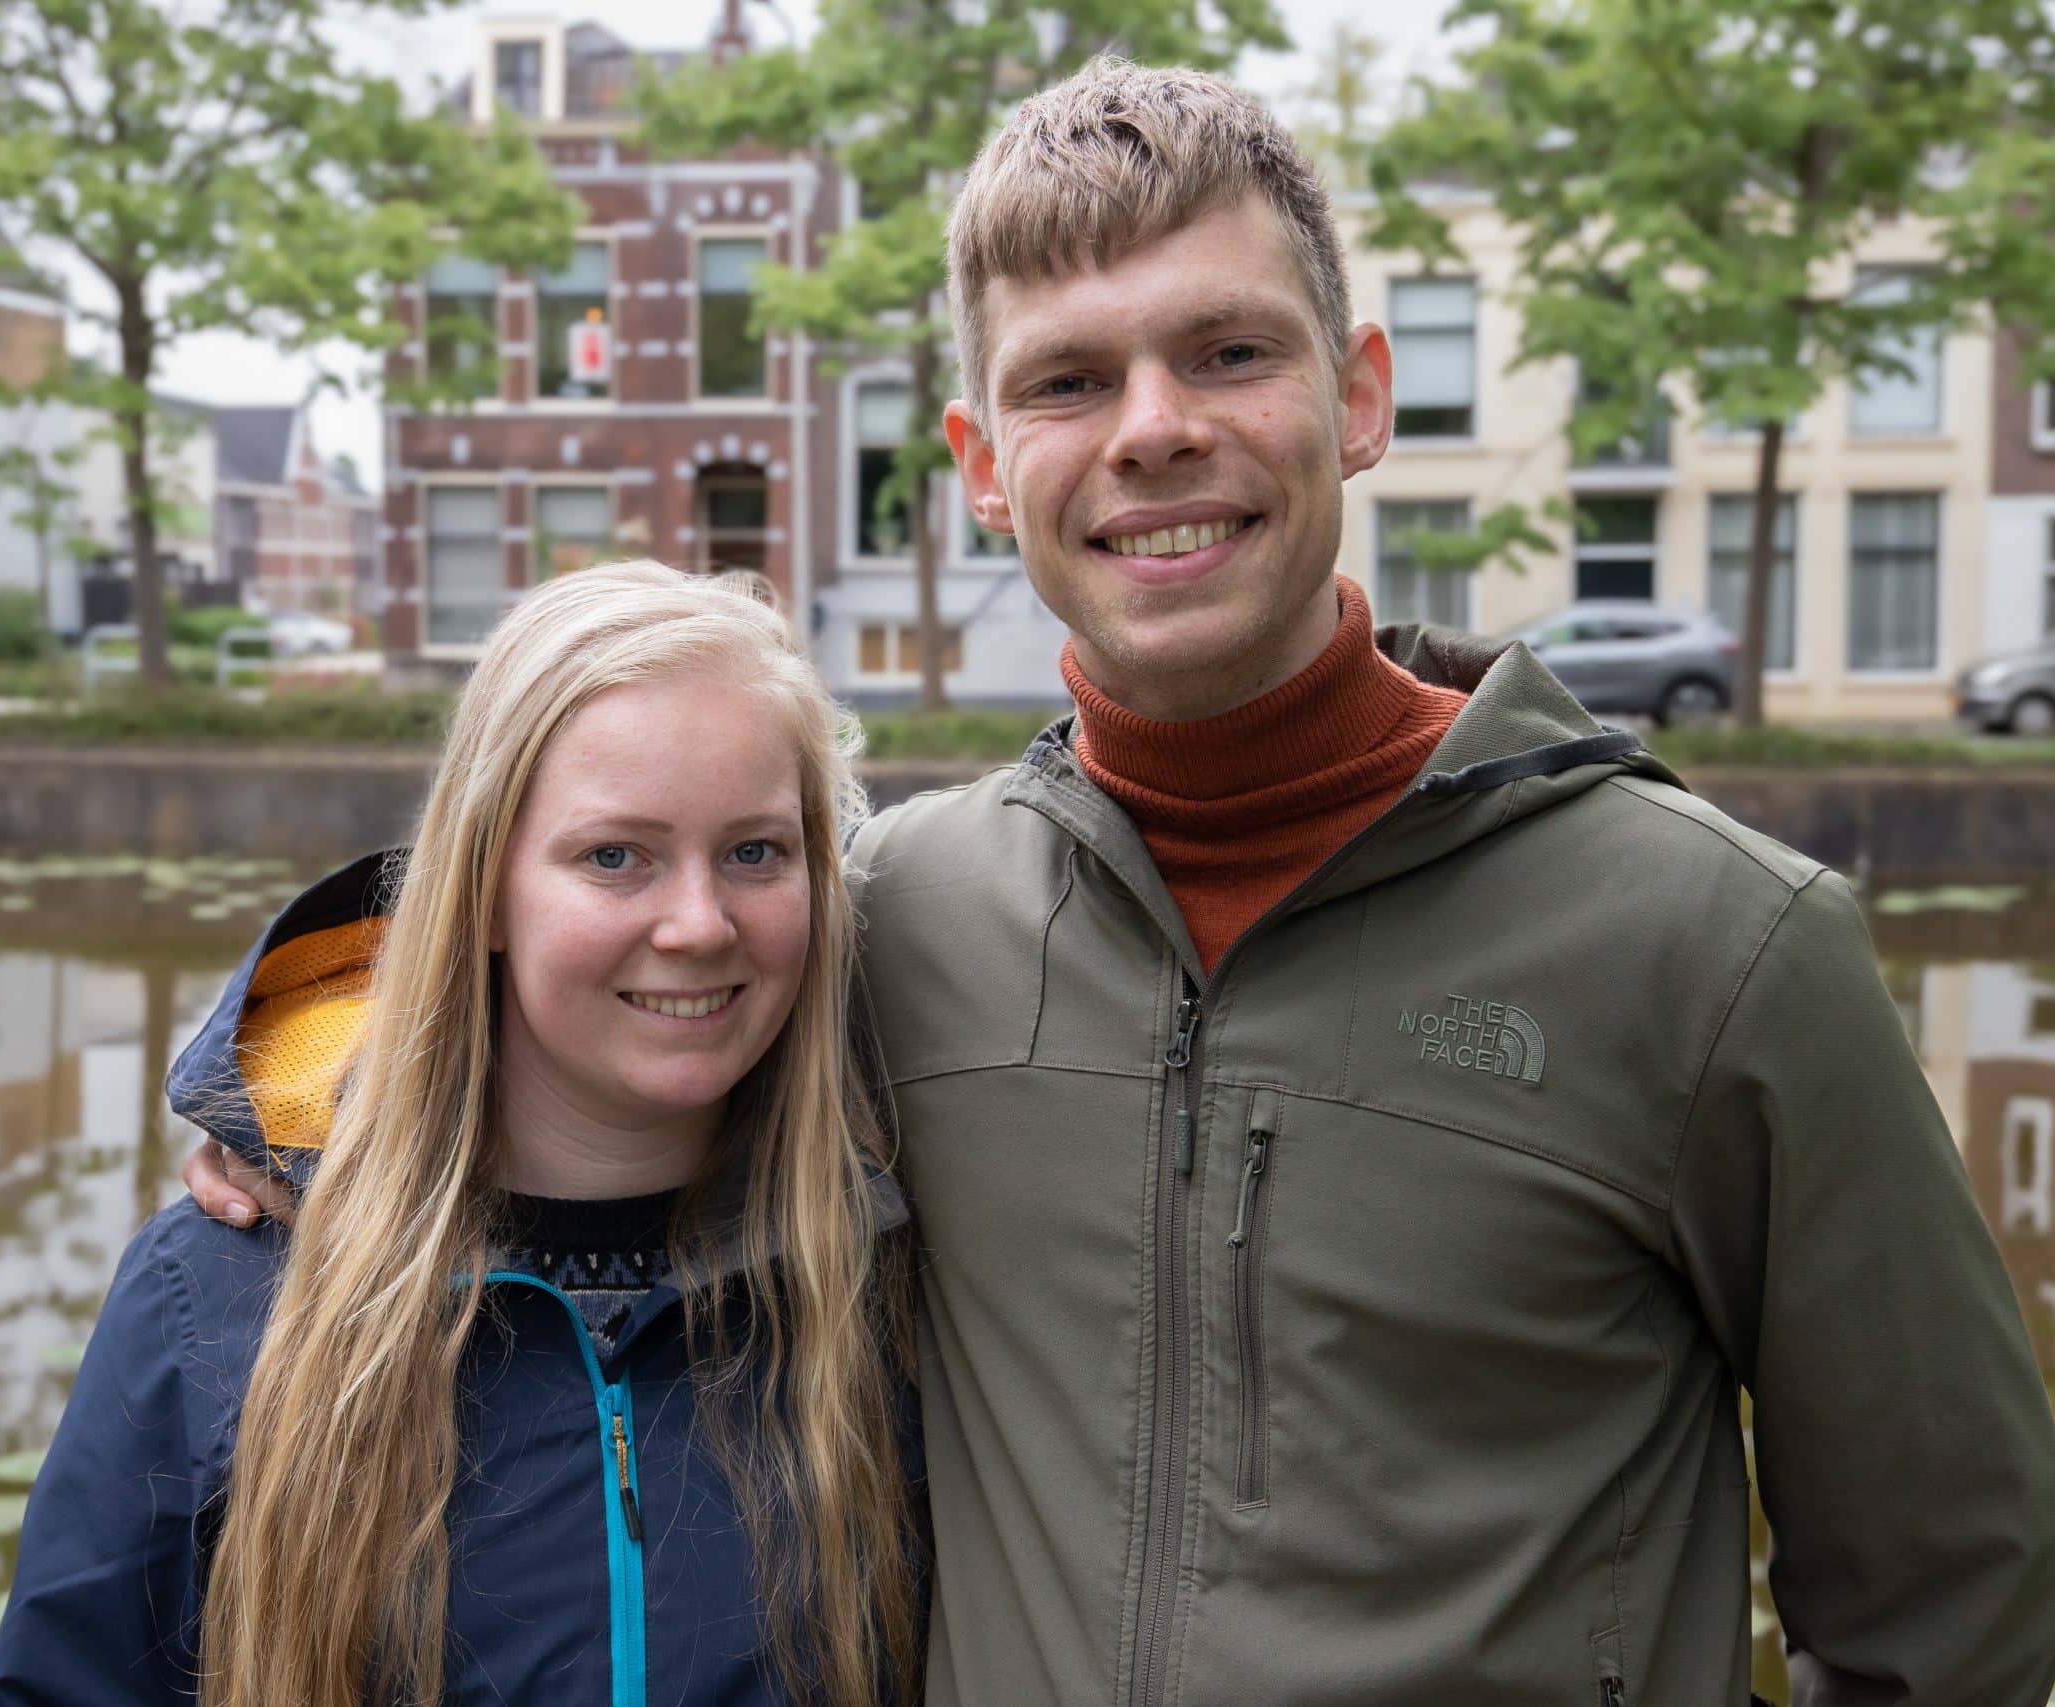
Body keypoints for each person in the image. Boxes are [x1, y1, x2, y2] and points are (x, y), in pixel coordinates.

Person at [190, 61, 2055, 1706]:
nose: (1153, 424)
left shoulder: (1721, 947)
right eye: (1070, 382)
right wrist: (265, 1094)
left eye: (1228, 351)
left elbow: (1952, 1606)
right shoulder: (898, 914)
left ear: (1363, 393)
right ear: (988, 469)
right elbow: (592, 961)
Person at [0, 562, 924, 1705]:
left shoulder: (890, 1288)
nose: (698, 923)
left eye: (754, 853)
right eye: (613, 856)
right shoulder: (219, 1297)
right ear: (482, 887)